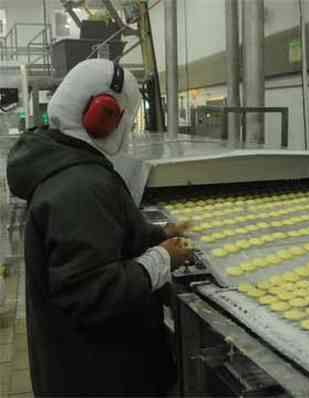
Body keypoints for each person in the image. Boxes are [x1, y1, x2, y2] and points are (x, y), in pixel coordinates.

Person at [7, 59, 192, 397]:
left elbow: (102, 236)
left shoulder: (69, 165)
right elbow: (92, 292)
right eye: (124, 119)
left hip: (83, 367)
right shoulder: (80, 185)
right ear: (102, 117)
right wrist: (162, 260)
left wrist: (157, 235)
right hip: (97, 376)